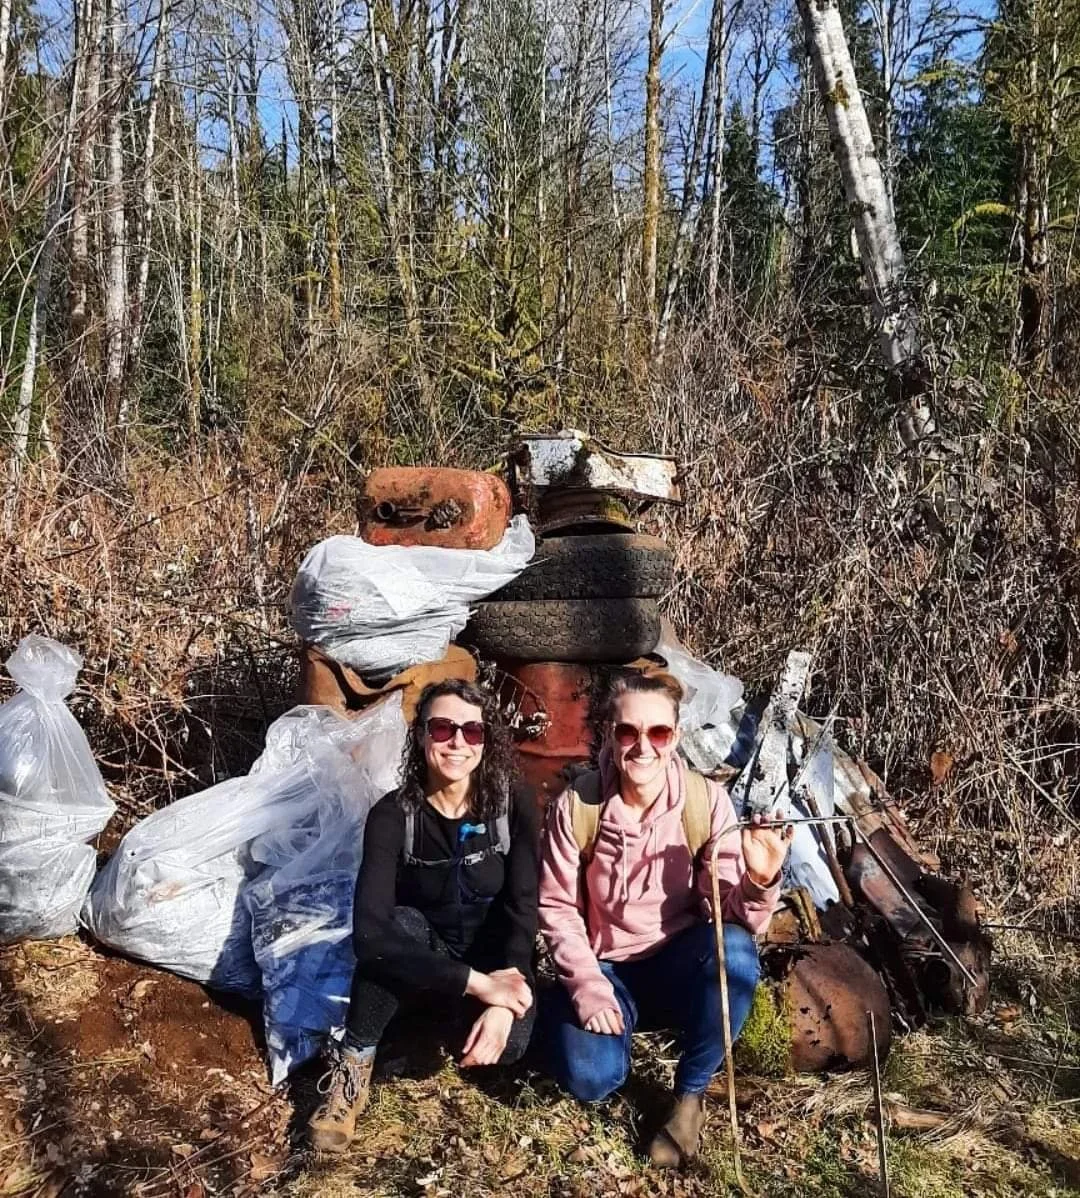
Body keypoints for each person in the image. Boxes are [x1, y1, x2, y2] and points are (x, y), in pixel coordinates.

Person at [537, 671, 792, 1169]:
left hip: (677, 961)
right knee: (593, 1080)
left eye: (658, 733)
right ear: (611, 735)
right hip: (608, 968)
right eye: (628, 732)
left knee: (736, 953)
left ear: (675, 737)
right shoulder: (579, 806)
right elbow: (558, 907)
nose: (643, 748)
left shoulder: (704, 803)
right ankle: (577, 1024)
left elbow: (728, 920)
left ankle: (690, 1096)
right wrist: (587, 986)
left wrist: (759, 882)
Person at [308, 679, 540, 1154]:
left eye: (473, 731)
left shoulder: (513, 802)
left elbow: (524, 906)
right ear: (420, 737)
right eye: (443, 728)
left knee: (513, 1046)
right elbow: (369, 935)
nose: (458, 742)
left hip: (495, 959)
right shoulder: (394, 815)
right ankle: (352, 1069)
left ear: (486, 740)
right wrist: (479, 985)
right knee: (400, 927)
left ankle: (432, 1025)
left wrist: (506, 989)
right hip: (429, 955)